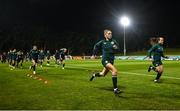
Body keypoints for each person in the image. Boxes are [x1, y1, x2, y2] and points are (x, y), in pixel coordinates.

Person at [90, 29, 121, 94]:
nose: (110, 35)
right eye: (109, 33)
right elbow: (95, 46)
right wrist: (94, 54)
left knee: (103, 74)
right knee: (114, 71)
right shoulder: (102, 42)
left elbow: (118, 49)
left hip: (111, 60)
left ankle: (94, 75)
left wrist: (116, 48)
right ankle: (115, 89)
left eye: (111, 33)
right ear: (105, 35)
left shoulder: (114, 41)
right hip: (105, 60)